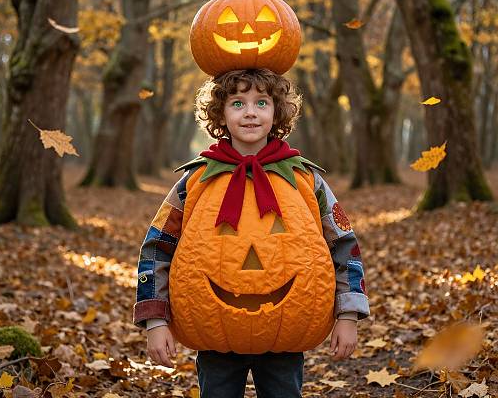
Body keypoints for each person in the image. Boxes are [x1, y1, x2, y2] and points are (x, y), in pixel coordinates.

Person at [133, 68, 370, 398]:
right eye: (237, 103)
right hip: (213, 332)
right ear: (220, 112)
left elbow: (343, 243)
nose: (250, 113)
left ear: (277, 111)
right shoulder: (195, 181)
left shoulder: (305, 180)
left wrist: (348, 314)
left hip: (286, 333)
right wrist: (155, 320)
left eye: (261, 102)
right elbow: (157, 247)